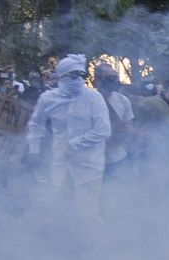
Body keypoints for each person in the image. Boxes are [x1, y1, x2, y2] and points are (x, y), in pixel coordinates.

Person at [25, 55, 110, 225]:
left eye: (81, 75)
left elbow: (103, 130)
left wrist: (75, 144)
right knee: (57, 212)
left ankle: (95, 241)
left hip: (89, 166)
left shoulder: (94, 98)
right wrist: (34, 149)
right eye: (73, 75)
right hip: (60, 165)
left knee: (87, 215)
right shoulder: (48, 99)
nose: (78, 80)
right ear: (61, 77)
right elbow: (36, 125)